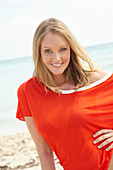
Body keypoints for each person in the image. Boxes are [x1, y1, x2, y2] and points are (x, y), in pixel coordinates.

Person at [16, 18, 113, 170]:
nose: (57, 58)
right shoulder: (28, 92)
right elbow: (44, 152)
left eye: (63, 49)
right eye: (48, 51)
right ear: (38, 53)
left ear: (71, 49)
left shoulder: (102, 81)